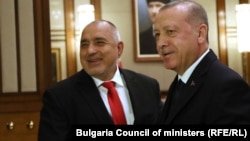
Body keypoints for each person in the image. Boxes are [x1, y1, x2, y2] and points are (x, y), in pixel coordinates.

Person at [38, 20, 162, 141]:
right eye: (84, 45)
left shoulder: (147, 87)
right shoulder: (59, 97)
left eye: (100, 42)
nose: (90, 51)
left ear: (119, 49)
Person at [154, 0, 250, 124]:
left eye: (170, 32)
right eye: (157, 34)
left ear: (200, 34)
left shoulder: (227, 85)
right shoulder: (180, 82)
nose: (161, 43)